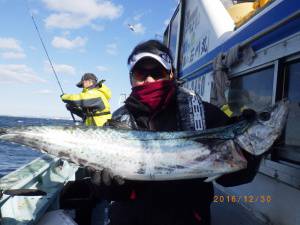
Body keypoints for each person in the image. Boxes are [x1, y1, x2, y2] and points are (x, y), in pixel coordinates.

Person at [87, 40, 260, 225]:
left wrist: (249, 153)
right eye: (141, 73)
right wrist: (107, 187)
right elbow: (111, 193)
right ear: (131, 78)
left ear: (171, 74)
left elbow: (233, 178)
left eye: (157, 72)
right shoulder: (117, 121)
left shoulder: (205, 114)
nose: (149, 80)